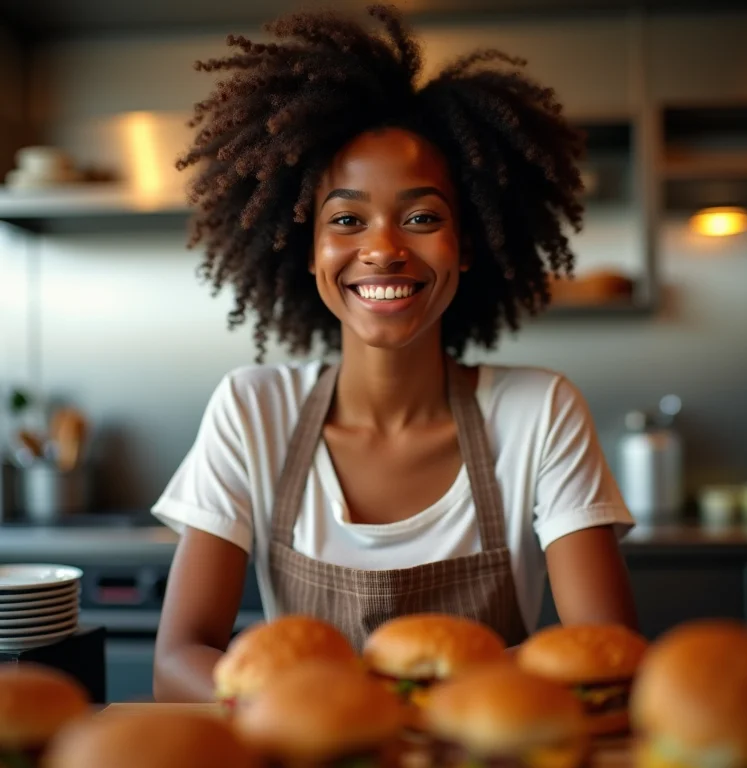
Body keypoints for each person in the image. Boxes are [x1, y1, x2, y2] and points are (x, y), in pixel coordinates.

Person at [151, 4, 638, 703]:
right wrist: (304, 711)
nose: (383, 248)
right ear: (309, 250)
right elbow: (179, 658)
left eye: (421, 218)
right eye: (347, 219)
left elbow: (608, 656)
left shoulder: (538, 411)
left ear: (465, 246)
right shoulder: (252, 409)